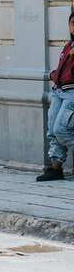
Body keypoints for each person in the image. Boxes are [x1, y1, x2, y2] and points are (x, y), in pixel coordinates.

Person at [37, 12, 74, 182]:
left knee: (61, 129)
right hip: (59, 91)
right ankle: (56, 167)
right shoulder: (68, 46)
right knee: (52, 129)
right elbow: (61, 69)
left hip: (72, 93)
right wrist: (54, 74)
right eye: (72, 23)